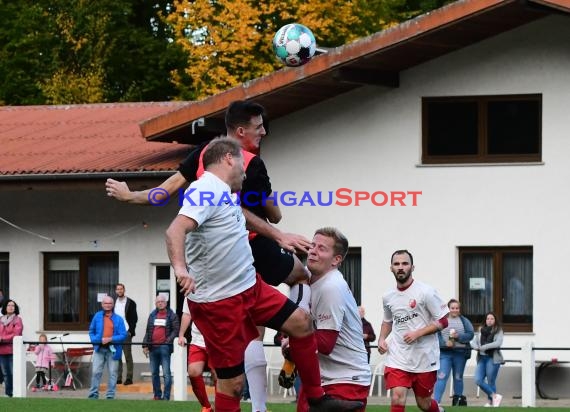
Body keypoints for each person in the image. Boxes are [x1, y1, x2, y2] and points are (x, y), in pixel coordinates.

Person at [106, 100, 312, 411]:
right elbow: (274, 214)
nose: (264, 132)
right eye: (259, 128)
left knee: (258, 332)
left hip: (221, 265)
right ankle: (292, 356)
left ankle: (265, 396)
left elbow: (164, 192)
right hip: (248, 246)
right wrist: (278, 228)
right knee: (302, 275)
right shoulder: (250, 164)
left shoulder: (204, 154)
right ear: (240, 133)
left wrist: (129, 195)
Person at [165, 137, 363, 412]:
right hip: (220, 303)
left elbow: (245, 218)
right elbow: (175, 230)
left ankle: (317, 400)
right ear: (228, 159)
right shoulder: (204, 189)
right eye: (243, 168)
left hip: (250, 288)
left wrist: (279, 236)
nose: (246, 174)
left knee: (301, 323)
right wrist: (180, 269)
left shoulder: (224, 193)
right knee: (232, 385)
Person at [294, 227, 371, 412]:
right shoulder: (306, 276)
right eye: (312, 245)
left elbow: (325, 344)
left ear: (336, 260)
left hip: (346, 379)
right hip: (319, 375)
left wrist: (292, 340)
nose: (313, 250)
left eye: (322, 248)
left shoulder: (331, 287)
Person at [377, 250, 449, 412]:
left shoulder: (426, 292)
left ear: (412, 267)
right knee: (397, 396)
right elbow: (387, 321)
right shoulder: (388, 296)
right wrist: (381, 339)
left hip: (424, 357)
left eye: (404, 263)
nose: (400, 267)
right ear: (391, 268)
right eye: (396, 264)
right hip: (398, 356)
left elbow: (443, 321)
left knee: (423, 403)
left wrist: (418, 333)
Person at [433, 299, 474, 405]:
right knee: (442, 376)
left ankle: (458, 401)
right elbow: (436, 334)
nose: (455, 310)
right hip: (445, 353)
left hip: (460, 353)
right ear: (448, 309)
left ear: (459, 309)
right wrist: (444, 343)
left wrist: (459, 336)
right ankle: (436, 403)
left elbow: (470, 334)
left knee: (458, 377)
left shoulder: (464, 321)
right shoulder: (442, 320)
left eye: (457, 308)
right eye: (452, 308)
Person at [87, 295, 128, 400]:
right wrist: (95, 340)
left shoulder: (118, 319)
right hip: (99, 349)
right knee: (96, 372)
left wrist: (110, 339)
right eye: (105, 303)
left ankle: (110, 395)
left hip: (113, 351)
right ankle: (93, 395)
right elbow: (91, 331)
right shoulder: (97, 316)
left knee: (113, 374)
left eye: (110, 303)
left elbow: (123, 335)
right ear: (102, 304)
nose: (108, 305)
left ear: (113, 305)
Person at [178, 300, 215, 412]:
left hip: (218, 340)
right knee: (193, 372)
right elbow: (187, 313)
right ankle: (207, 407)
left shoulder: (220, 286)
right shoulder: (190, 291)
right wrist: (181, 334)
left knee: (218, 375)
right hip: (197, 340)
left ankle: (221, 406)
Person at [142, 294, 180, 400]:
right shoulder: (152, 315)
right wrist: (145, 345)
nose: (160, 303)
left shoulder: (172, 315)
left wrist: (167, 342)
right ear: (155, 303)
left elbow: (176, 330)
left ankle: (166, 396)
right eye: (158, 301)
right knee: (154, 373)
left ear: (166, 303)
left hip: (165, 348)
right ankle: (157, 395)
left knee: (166, 373)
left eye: (162, 301)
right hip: (152, 348)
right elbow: (148, 331)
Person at [472, 312, 503, 407]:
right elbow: (473, 342)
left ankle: (491, 402)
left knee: (491, 381)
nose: (489, 321)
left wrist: (485, 347)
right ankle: (494, 396)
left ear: (495, 320)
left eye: (492, 319)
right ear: (485, 320)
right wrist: (476, 347)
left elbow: (498, 343)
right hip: (482, 358)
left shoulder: (498, 330)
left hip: (492, 358)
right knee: (478, 380)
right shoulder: (480, 330)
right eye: (488, 319)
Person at [114, 283, 137, 385]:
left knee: (128, 356)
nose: (119, 291)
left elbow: (134, 319)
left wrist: (130, 331)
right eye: (118, 289)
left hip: (126, 333)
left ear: (124, 290)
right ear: (116, 291)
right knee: (117, 356)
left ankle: (129, 378)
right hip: (116, 334)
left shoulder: (131, 303)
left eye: (121, 289)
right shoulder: (113, 303)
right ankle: (118, 378)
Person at [0, 299, 23, 397]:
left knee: (10, 373)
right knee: (4, 373)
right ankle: (9, 392)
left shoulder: (17, 319)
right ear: (5, 307)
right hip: (1, 350)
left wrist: (2, 339)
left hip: (11, 350)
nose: (11, 307)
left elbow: (16, 334)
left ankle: (10, 393)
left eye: (13, 305)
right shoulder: (1, 320)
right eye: (9, 305)